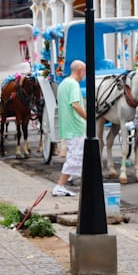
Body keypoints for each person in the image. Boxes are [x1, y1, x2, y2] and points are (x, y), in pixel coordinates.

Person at [53, 59, 87, 197]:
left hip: (67, 126)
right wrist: (87, 117)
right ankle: (60, 185)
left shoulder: (63, 84)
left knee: (78, 156)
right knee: (75, 156)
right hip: (75, 126)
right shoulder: (73, 85)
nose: (84, 74)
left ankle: (77, 181)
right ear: (80, 71)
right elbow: (75, 104)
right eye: (84, 71)